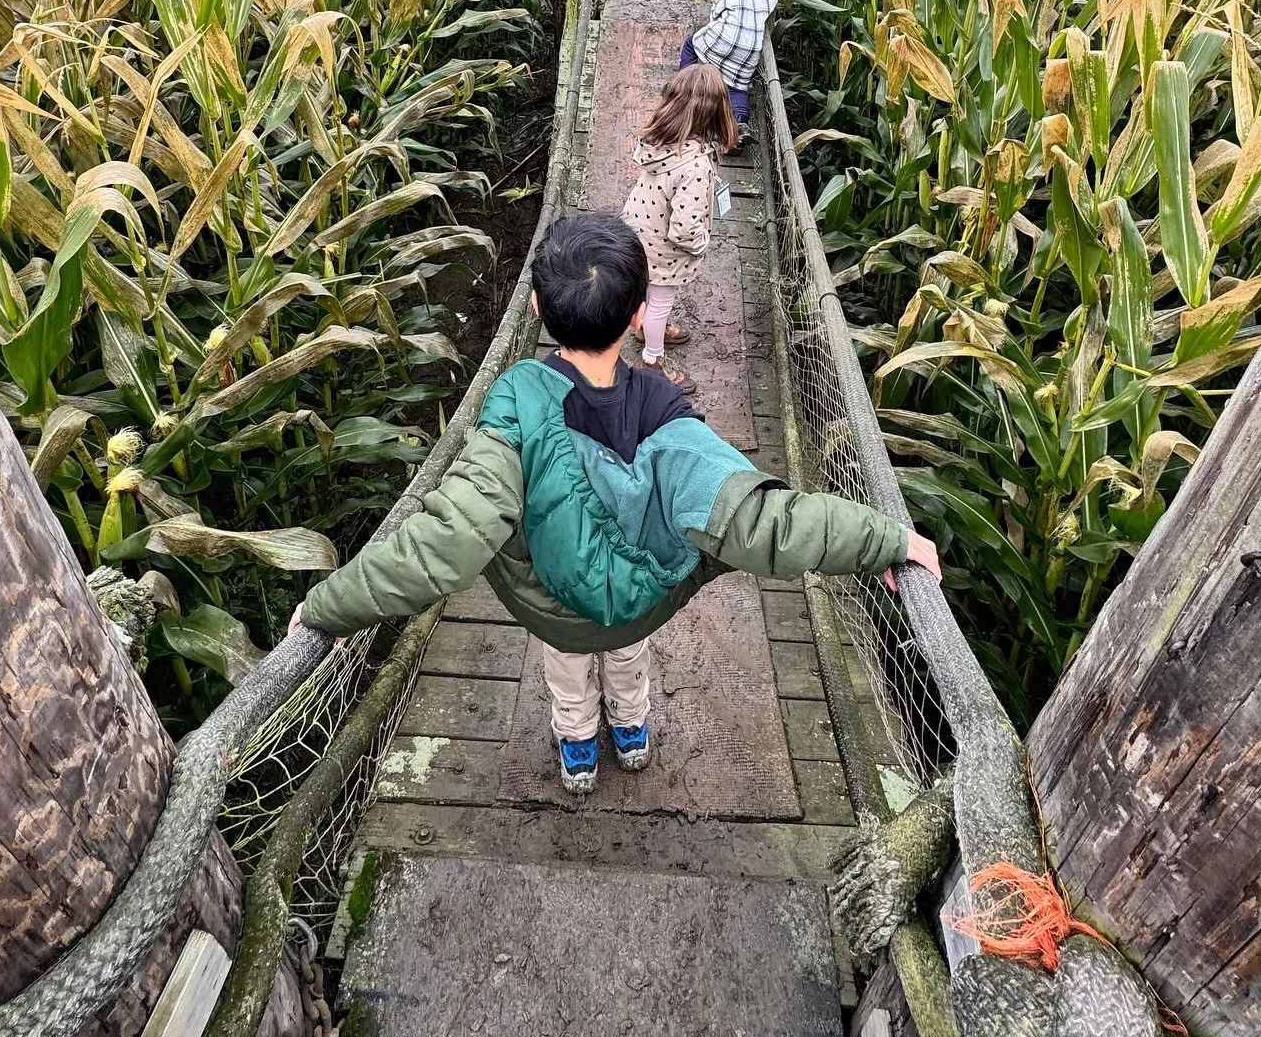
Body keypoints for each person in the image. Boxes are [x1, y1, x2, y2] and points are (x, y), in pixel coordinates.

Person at [291, 212, 942, 795]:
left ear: (539, 305)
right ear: (638, 315)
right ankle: (631, 732)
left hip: (556, 614)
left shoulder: (518, 407)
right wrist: (884, 540)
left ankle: (578, 748)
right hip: (638, 613)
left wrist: (330, 605)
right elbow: (770, 522)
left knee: (568, 670)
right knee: (628, 657)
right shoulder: (673, 426)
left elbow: (442, 543)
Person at [621, 62, 735, 388]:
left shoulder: (661, 141)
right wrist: (701, 243)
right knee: (660, 300)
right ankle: (653, 359)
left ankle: (644, 327)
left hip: (637, 230)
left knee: (647, 296)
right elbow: (683, 229)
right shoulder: (696, 165)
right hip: (661, 247)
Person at [681, 0, 778, 138]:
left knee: (691, 44)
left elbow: (716, 14)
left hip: (726, 37)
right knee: (738, 87)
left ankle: (683, 90)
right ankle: (739, 125)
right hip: (751, 46)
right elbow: (770, 6)